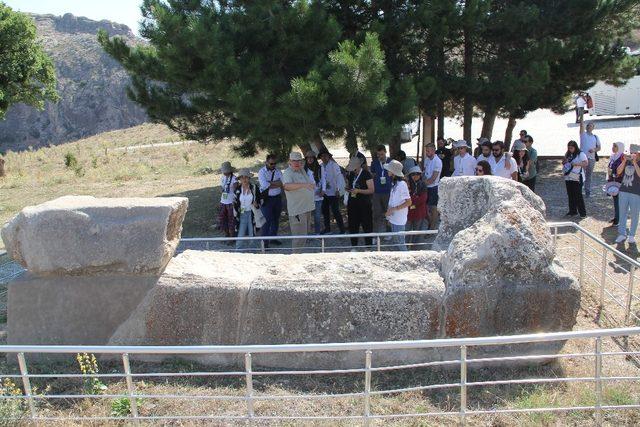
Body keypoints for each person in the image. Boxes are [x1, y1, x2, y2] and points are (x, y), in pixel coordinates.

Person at [282, 152, 316, 252]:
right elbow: (287, 186)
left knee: (304, 235)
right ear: (290, 161)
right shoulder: (288, 173)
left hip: (306, 208)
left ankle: (299, 256)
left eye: (298, 160)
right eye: (294, 161)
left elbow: (308, 183)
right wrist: (304, 185)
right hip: (298, 210)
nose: (296, 162)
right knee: (299, 237)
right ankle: (295, 258)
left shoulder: (301, 170)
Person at [345, 157, 374, 248]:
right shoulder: (351, 174)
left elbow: (371, 190)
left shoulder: (366, 174)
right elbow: (350, 185)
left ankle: (368, 246)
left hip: (364, 204)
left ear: (358, 166)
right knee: (353, 225)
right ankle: (354, 246)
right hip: (352, 204)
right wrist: (348, 189)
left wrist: (359, 191)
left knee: (367, 225)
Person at [384, 160, 412, 251]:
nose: (387, 171)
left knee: (400, 243)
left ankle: (407, 260)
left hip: (399, 219)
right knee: (397, 242)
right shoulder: (394, 183)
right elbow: (392, 200)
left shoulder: (402, 184)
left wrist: (393, 209)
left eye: (389, 170)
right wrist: (389, 214)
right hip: (394, 218)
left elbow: (409, 202)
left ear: (393, 173)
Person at [258, 154, 284, 247]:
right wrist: (277, 183)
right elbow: (264, 185)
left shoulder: (278, 171)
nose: (273, 165)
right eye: (271, 163)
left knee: (275, 219)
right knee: (266, 220)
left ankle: (273, 238)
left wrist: (270, 183)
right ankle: (264, 242)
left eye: (275, 163)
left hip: (277, 198)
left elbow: (283, 183)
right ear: (266, 162)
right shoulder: (261, 172)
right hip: (267, 199)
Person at [615, 149, 640, 244]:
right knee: (622, 213)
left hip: (636, 193)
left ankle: (632, 235)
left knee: (635, 215)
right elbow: (618, 171)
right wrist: (624, 161)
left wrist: (635, 163)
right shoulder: (627, 161)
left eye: (636, 153)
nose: (634, 154)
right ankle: (622, 234)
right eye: (633, 152)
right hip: (623, 191)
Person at [318, 150, 346, 234]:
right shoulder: (321, 166)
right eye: (322, 156)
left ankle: (342, 229)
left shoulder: (334, 165)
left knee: (336, 211)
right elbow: (320, 178)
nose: (324, 158)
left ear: (329, 156)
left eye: (325, 156)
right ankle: (327, 228)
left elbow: (338, 177)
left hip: (334, 191)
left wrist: (338, 189)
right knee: (325, 211)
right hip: (324, 192)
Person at [233, 169, 260, 251]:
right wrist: (235, 214)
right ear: (240, 179)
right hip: (241, 212)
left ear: (249, 178)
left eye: (246, 177)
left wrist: (257, 204)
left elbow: (260, 199)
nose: (244, 179)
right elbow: (235, 202)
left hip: (252, 212)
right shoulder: (237, 189)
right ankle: (238, 248)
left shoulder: (254, 187)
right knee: (241, 230)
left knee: (252, 230)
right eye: (242, 177)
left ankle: (253, 249)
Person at [562, 140, 588, 219]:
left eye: (572, 148)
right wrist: (564, 162)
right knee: (570, 194)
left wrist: (577, 164)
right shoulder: (568, 154)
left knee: (578, 195)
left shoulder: (581, 154)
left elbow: (586, 163)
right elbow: (564, 162)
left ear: (575, 147)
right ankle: (572, 211)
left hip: (577, 177)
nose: (570, 149)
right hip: (568, 177)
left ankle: (582, 213)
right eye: (569, 148)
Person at [370, 145, 392, 233]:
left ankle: (389, 231)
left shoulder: (391, 162)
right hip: (377, 192)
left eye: (382, 154)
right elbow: (373, 175)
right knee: (376, 214)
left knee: (388, 213)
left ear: (385, 152)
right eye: (378, 155)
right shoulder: (374, 163)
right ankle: (376, 233)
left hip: (388, 191)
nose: (380, 156)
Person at [406, 166, 428, 247]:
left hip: (419, 212)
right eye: (413, 174)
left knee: (417, 232)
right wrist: (415, 198)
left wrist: (412, 200)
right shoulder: (406, 184)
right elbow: (405, 198)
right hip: (408, 212)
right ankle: (405, 247)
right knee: (406, 231)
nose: (416, 176)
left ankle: (415, 248)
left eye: (418, 174)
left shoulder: (423, 185)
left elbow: (423, 198)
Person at [422, 143, 442, 230]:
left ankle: (432, 228)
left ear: (433, 151)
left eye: (428, 151)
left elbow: (433, 178)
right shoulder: (426, 159)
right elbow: (424, 172)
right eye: (426, 151)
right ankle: (430, 224)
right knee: (425, 207)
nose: (427, 152)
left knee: (433, 208)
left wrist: (421, 184)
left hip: (434, 187)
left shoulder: (437, 161)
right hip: (427, 186)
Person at [579, 120, 601, 198]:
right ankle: (579, 189)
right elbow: (581, 127)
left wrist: (594, 150)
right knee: (581, 174)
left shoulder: (595, 137)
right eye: (588, 125)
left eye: (591, 126)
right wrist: (581, 119)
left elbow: (599, 147)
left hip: (591, 158)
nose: (589, 127)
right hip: (583, 159)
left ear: (593, 128)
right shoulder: (583, 135)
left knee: (589, 175)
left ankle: (587, 190)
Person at [305, 151, 323, 234]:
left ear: (314, 158)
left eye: (311, 157)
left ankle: (317, 233)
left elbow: (323, 180)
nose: (309, 159)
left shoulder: (320, 168)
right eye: (308, 158)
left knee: (317, 216)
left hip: (318, 195)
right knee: (307, 217)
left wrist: (323, 190)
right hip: (307, 196)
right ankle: (307, 234)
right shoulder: (303, 169)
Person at [218, 161, 237, 239]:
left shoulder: (234, 178)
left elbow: (236, 187)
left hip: (231, 201)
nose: (224, 173)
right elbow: (221, 187)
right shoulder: (222, 177)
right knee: (223, 218)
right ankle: (226, 234)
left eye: (226, 171)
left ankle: (232, 236)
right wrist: (222, 189)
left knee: (231, 219)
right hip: (223, 201)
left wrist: (233, 186)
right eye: (224, 171)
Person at [608, 142, 625, 226]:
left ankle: (618, 219)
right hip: (613, 181)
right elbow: (609, 168)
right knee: (615, 200)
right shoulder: (613, 156)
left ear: (620, 147)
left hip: (620, 182)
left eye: (615, 146)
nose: (613, 147)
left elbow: (622, 171)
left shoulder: (622, 157)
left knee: (619, 201)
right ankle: (616, 217)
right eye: (613, 145)